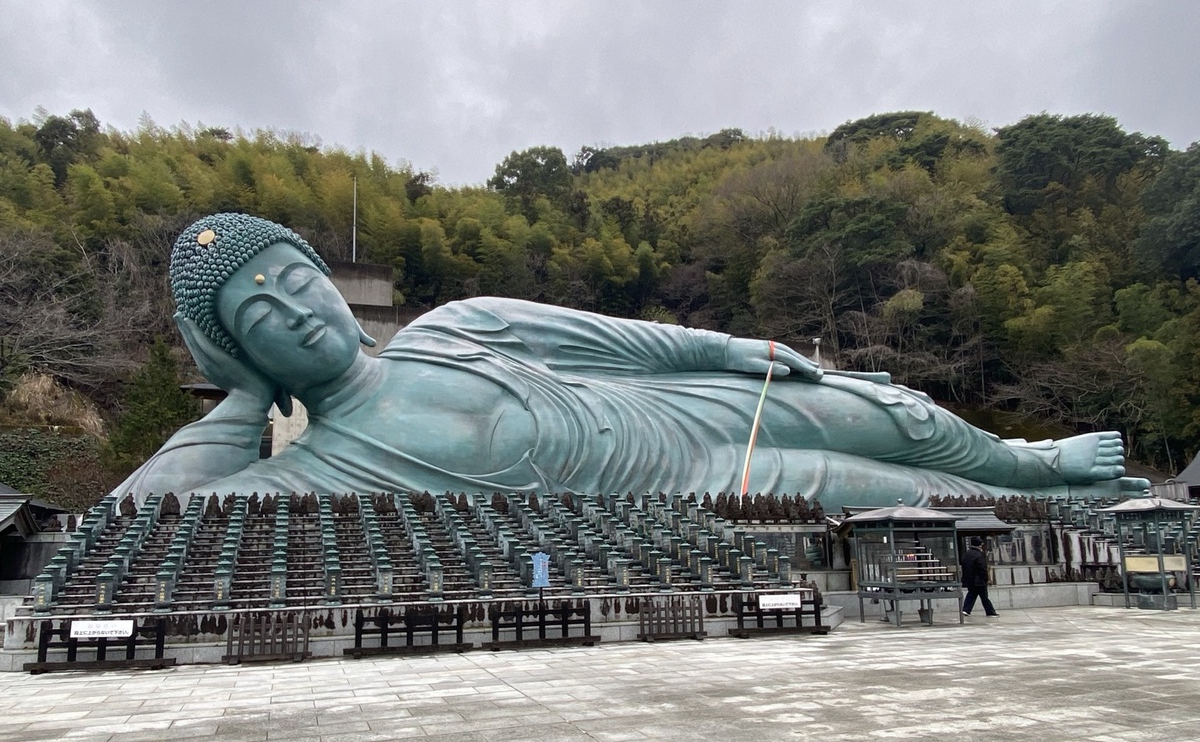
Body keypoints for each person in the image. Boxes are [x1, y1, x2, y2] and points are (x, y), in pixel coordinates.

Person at [112, 213, 1149, 506]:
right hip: (692, 484)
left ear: (329, 285)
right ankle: (1046, 498)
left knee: (888, 411)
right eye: (256, 319)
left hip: (691, 408)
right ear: (236, 348)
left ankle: (1030, 458)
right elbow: (147, 522)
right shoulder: (323, 466)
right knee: (894, 489)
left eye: (295, 281)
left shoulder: (455, 325)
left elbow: (621, 340)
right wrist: (240, 403)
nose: (295, 314)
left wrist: (734, 347)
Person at [961, 536, 998, 617]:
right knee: (984, 597)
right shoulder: (979, 555)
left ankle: (966, 610)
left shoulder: (967, 554)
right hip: (979, 580)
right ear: (979, 545)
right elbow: (982, 568)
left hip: (970, 580)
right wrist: (986, 578)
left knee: (971, 594)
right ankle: (990, 612)